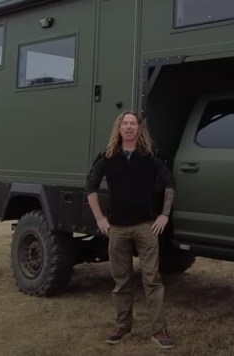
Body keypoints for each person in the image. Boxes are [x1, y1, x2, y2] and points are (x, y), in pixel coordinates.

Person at [85, 111, 176, 349]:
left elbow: (170, 183)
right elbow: (90, 186)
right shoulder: (107, 157)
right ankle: (122, 326)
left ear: (139, 128)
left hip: (146, 228)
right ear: (119, 128)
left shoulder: (151, 156)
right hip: (117, 229)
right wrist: (100, 219)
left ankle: (159, 330)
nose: (128, 127)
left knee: (152, 280)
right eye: (124, 124)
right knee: (121, 281)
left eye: (132, 124)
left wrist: (164, 214)